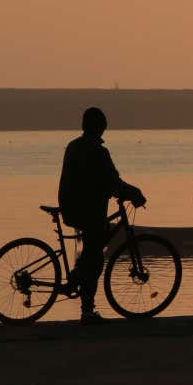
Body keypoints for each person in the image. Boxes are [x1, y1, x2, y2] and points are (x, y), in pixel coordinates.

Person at [57, 106, 146, 325]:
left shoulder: (73, 146)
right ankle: (87, 310)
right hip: (88, 211)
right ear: (100, 128)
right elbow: (111, 181)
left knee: (91, 250)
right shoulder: (98, 151)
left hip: (71, 208)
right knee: (96, 258)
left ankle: (78, 275)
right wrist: (134, 194)